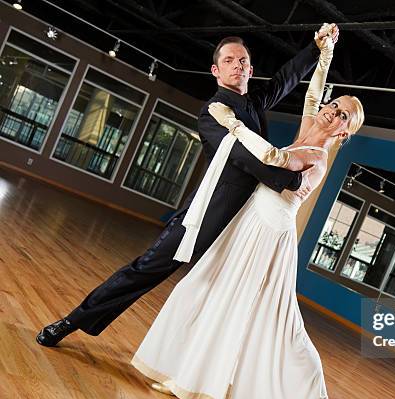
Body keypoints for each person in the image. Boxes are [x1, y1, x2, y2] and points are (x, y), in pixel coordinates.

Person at [131, 22, 364, 399]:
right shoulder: (313, 122)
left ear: (345, 133)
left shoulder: (314, 157)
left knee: (277, 327)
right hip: (247, 225)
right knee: (202, 292)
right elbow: (313, 87)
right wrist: (325, 49)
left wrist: (232, 126)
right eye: (334, 105)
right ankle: (186, 376)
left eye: (342, 117)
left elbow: (275, 160)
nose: (331, 113)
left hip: (269, 239)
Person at [36, 24, 338, 347]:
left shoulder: (253, 104)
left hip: (240, 226)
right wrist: (290, 180)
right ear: (216, 70)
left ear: (250, 69)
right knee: (143, 271)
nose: (237, 65)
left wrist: (315, 48)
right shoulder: (213, 112)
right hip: (202, 222)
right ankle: (70, 321)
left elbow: (284, 80)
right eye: (229, 61)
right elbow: (243, 158)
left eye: (243, 61)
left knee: (231, 299)